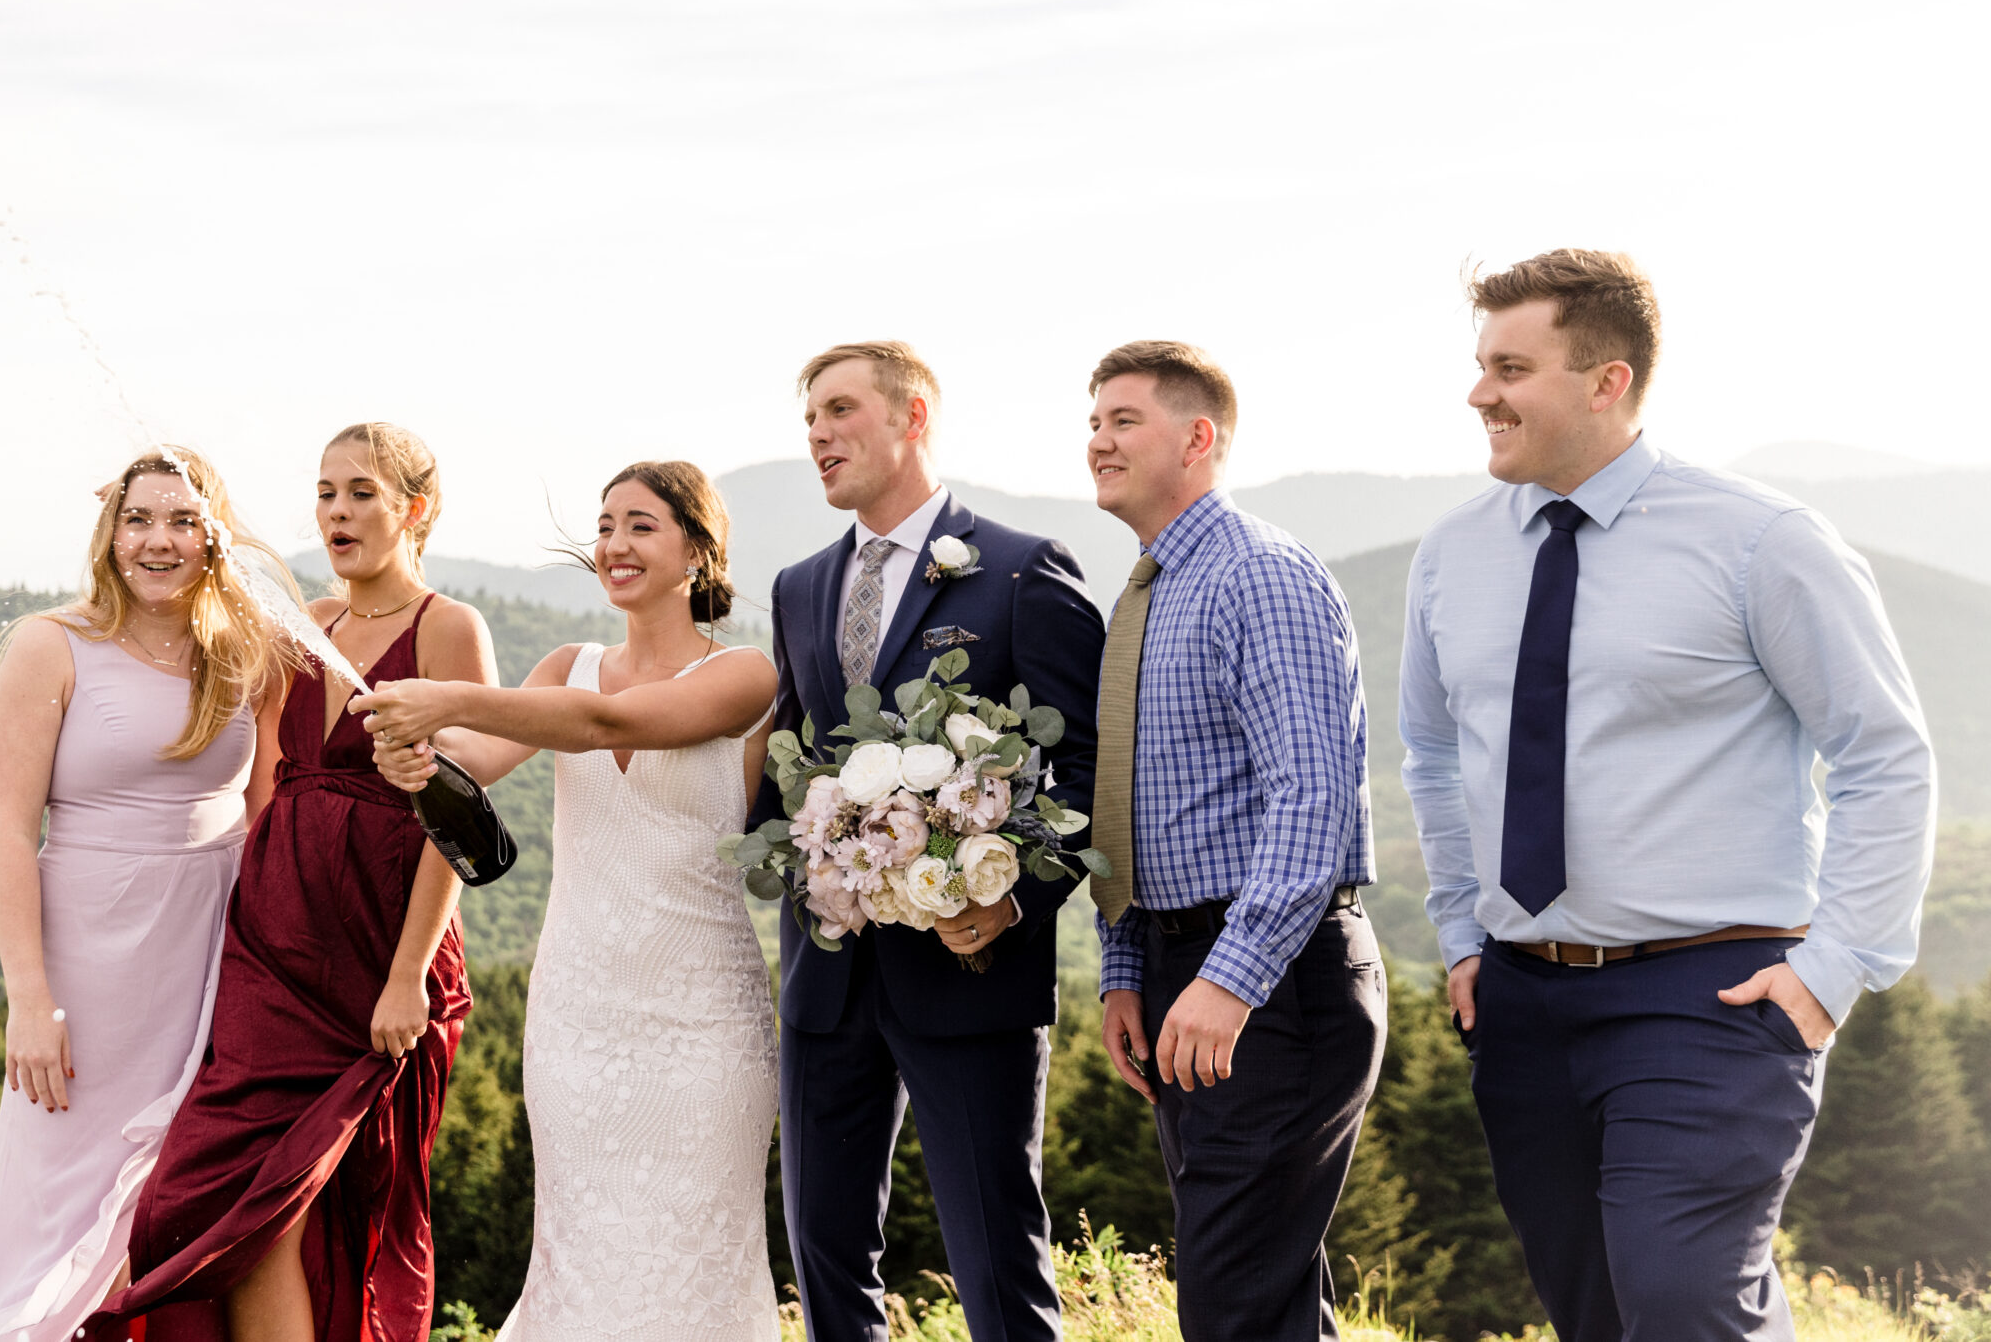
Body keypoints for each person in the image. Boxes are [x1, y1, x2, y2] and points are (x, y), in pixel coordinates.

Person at [1401, 250, 1936, 1340]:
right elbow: (1430, 750)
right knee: (1595, 1309)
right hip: (1520, 1001)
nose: (1477, 394)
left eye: (1510, 366)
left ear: (1606, 381)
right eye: (1478, 365)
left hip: (1713, 998)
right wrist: (1462, 934)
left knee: (1682, 1301)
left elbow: (1885, 753)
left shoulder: (1760, 543)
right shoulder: (1453, 553)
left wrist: (1833, 970)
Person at [352, 460, 783, 1342]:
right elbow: (468, 762)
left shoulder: (744, 674)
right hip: (578, 1009)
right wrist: (415, 759)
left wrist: (447, 697)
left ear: (699, 550)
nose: (615, 545)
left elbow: (607, 724)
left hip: (704, 1018)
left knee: (697, 1249)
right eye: (606, 525)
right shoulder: (565, 663)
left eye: (641, 525)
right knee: (579, 1245)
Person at [103, 422, 498, 1342]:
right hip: (271, 947)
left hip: (378, 951)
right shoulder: (307, 626)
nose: (337, 512)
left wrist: (408, 976)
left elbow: (460, 813)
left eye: (361, 492)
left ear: (415, 508)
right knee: (208, 1194)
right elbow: (269, 781)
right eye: (325, 493)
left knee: (317, 1202)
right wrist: (169, 524)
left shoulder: (448, 626)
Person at [750, 341, 1105, 1342]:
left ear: (913, 418)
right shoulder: (799, 586)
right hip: (826, 975)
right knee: (823, 1256)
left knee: (994, 1257)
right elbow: (794, 758)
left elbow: (1082, 769)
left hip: (971, 969)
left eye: (839, 410)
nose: (817, 433)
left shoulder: (1020, 569)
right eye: (808, 417)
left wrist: (1009, 895)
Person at [0, 447, 287, 1342]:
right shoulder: (52, 643)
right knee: (55, 1183)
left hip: (209, 952)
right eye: (138, 519)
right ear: (108, 531)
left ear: (214, 537)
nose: (158, 539)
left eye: (183, 520)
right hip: (90, 958)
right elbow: (10, 832)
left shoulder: (247, 645)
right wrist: (29, 1001)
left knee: (182, 1184)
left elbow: (272, 808)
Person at [1081, 341, 1384, 1341]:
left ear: (1197, 437)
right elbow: (1138, 798)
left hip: (1272, 986)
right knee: (1262, 1300)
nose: (1097, 441)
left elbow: (1313, 799)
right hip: (1186, 974)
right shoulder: (1152, 588)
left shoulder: (1259, 575)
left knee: (1232, 1305)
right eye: (1093, 422)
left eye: (1124, 420)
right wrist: (1127, 966)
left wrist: (1230, 978)